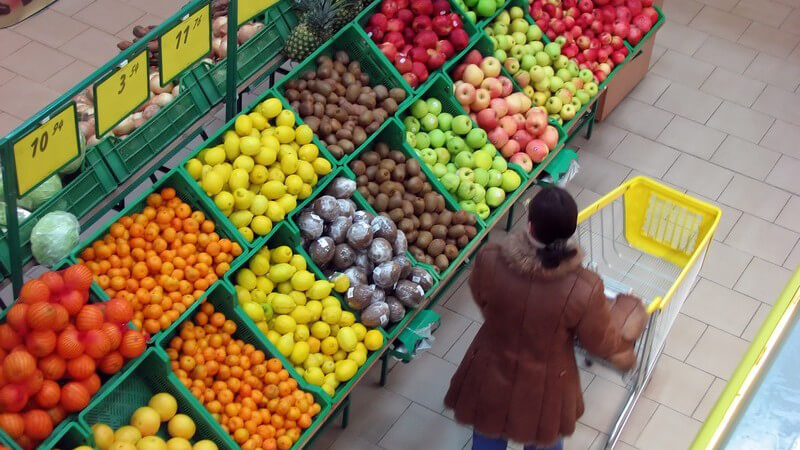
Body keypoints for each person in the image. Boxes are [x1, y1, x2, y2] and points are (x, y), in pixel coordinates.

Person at [444, 186, 647, 450]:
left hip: (489, 371)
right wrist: (626, 327)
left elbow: (482, 297)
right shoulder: (583, 287)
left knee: (487, 433)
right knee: (544, 438)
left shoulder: (490, 259)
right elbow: (598, 342)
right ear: (570, 232)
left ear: (530, 226)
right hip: (546, 386)